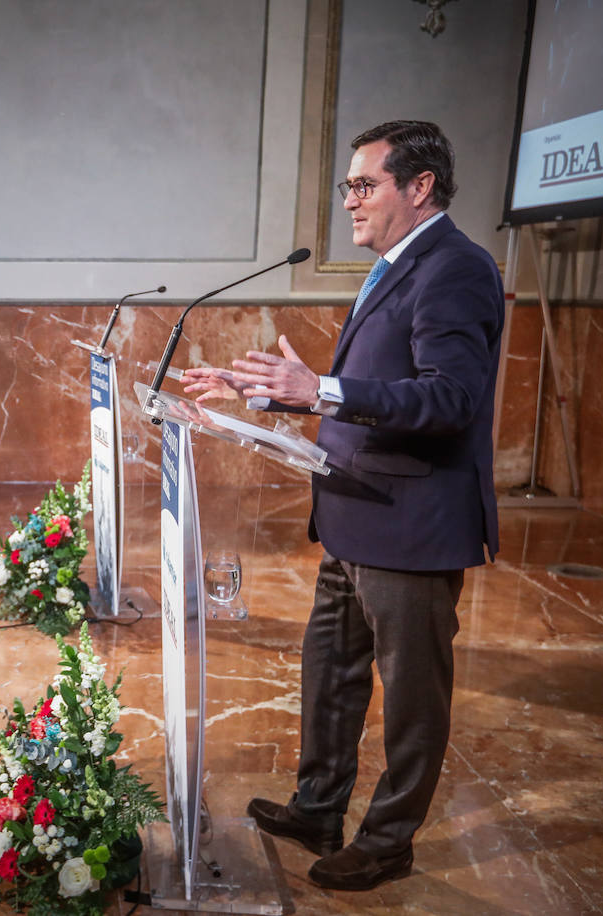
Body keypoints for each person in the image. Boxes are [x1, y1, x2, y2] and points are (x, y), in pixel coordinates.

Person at [182, 120, 504, 891]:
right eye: (348, 186)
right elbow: (374, 399)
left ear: (419, 187)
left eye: (365, 184)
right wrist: (267, 393)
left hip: (412, 527)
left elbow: (451, 399)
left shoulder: (455, 267)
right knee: (330, 674)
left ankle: (389, 839)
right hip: (354, 515)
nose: (350, 201)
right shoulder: (398, 266)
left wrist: (320, 387)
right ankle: (319, 806)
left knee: (412, 700)